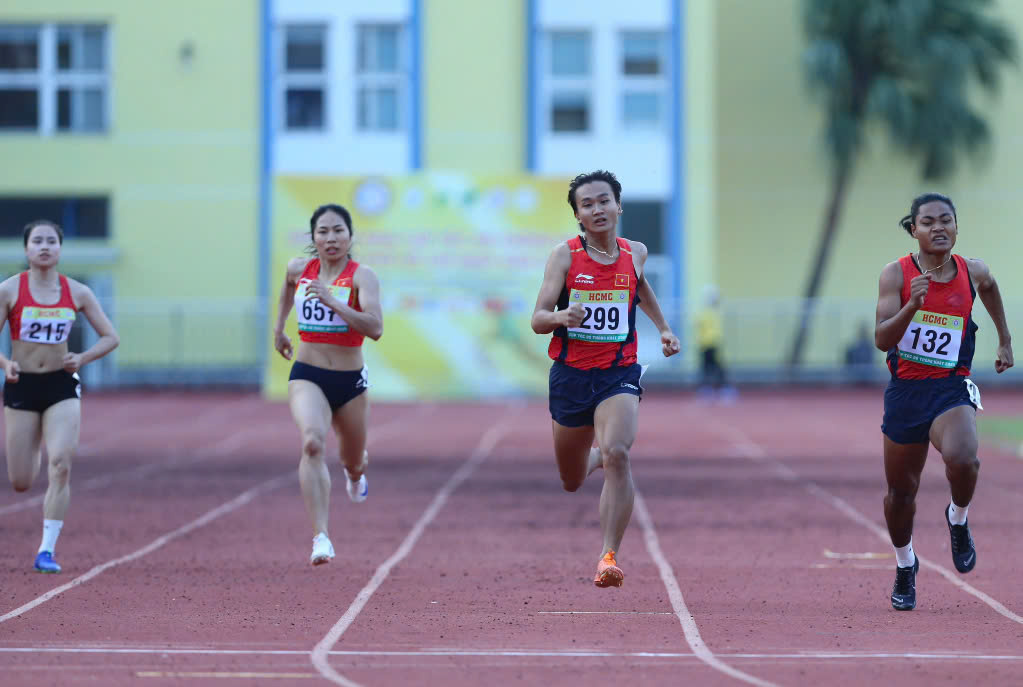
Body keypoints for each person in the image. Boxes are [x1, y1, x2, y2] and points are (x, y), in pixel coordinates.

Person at [531, 170, 680, 588]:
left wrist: (664, 328)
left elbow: (640, 288)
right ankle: (591, 457)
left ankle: (607, 556)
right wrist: (562, 316)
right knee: (572, 479)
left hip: (618, 371)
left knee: (618, 452)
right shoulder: (565, 257)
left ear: (618, 206)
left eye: (604, 201)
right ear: (578, 215)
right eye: (588, 204)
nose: (597, 209)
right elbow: (537, 318)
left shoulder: (635, 252)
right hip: (571, 377)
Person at [875, 192, 1013, 611]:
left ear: (956, 227)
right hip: (906, 392)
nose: (938, 227)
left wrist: (1005, 339)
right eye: (928, 221)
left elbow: (990, 289)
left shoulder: (972, 271)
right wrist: (912, 306)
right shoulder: (896, 276)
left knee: (965, 458)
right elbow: (883, 339)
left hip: (951, 385)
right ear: (913, 230)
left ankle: (958, 518)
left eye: (946, 220)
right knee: (901, 494)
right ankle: (905, 564)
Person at [0, 220, 119, 573]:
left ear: (60, 249)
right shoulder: (9, 290)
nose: (45, 247)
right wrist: (5, 363)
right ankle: (33, 443)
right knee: (21, 481)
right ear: (26, 250)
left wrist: (81, 358)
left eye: (52, 241)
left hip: (61, 386)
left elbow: (110, 337)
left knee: (61, 465)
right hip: (23, 385)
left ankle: (46, 551)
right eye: (37, 241)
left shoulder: (77, 292)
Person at [273, 204, 383, 566]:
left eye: (338, 230)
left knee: (352, 460)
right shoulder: (298, 269)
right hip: (308, 372)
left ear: (350, 236)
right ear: (313, 237)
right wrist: (279, 328)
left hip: (350, 381)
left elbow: (375, 328)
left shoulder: (361, 277)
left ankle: (356, 473)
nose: (330, 238)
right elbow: (287, 291)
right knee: (312, 443)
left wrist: (334, 301)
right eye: (323, 231)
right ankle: (321, 536)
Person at [695, 284, 737, 403]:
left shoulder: (710, 312)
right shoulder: (707, 312)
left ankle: (723, 388)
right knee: (709, 367)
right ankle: (711, 389)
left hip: (711, 343)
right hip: (707, 343)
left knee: (715, 367)